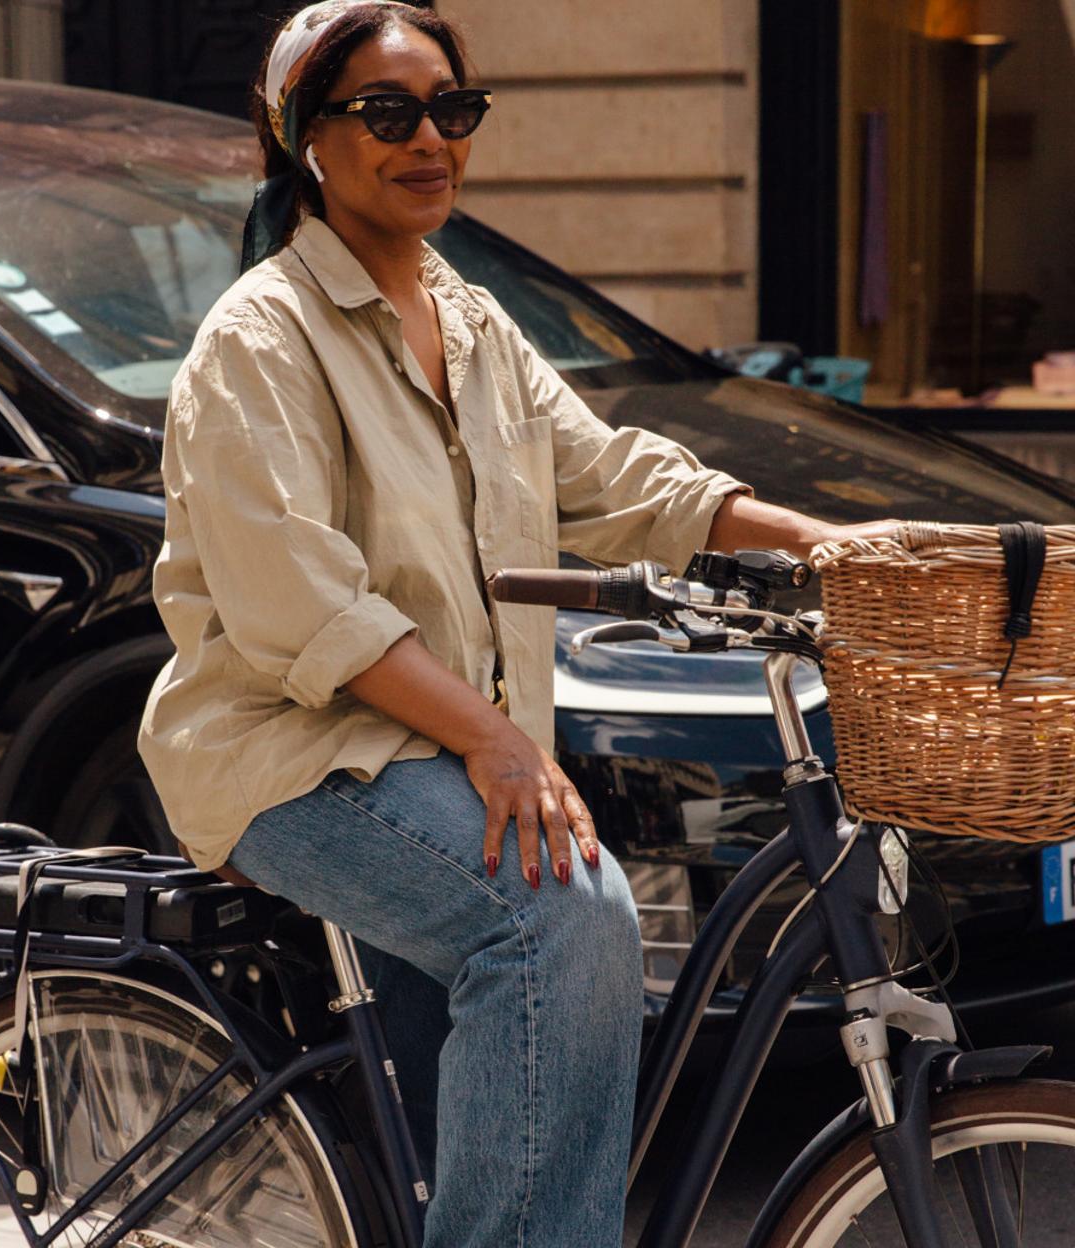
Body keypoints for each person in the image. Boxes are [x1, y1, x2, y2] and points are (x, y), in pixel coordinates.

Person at [138, 3, 894, 1243]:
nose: (430, 138)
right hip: (288, 758)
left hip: (435, 758)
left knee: (473, 1112)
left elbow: (612, 480)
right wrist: (497, 739)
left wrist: (828, 545)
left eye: (453, 109)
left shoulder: (474, 321)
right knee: (562, 917)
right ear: (302, 141)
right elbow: (302, 607)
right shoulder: (257, 340)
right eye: (388, 113)